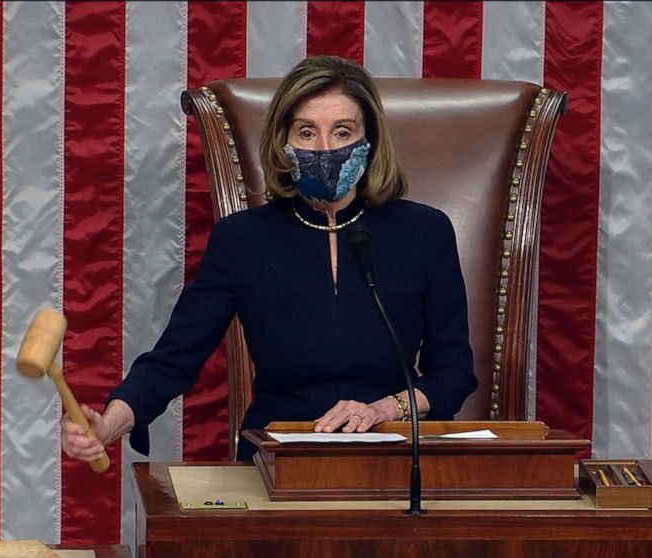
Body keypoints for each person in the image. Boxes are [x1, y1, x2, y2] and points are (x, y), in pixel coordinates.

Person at [62, 55, 477, 464]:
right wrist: (110, 423)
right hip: (276, 458)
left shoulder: (424, 231)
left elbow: (454, 374)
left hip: (392, 458)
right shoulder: (244, 239)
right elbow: (175, 358)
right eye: (307, 133)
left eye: (343, 132)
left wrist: (385, 409)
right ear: (284, 142)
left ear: (369, 142)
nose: (325, 148)